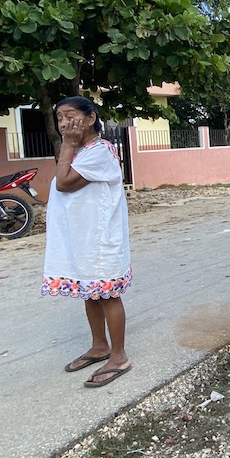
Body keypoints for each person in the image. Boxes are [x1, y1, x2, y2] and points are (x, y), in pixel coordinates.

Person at [41, 96, 133, 388]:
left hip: (100, 239)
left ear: (91, 118)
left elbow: (64, 183)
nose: (64, 123)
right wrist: (70, 145)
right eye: (59, 119)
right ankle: (99, 346)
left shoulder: (100, 151)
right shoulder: (81, 152)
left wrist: (67, 144)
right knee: (90, 293)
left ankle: (118, 356)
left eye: (70, 116)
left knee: (107, 294)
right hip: (81, 238)